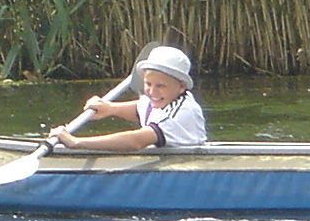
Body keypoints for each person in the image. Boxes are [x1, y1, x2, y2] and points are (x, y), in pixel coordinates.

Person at [49, 45, 208, 152]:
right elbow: (141, 109)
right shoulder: (163, 99)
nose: (152, 91)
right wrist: (110, 108)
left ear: (181, 86)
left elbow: (137, 141)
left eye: (160, 86)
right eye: (148, 84)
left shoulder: (179, 113)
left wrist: (76, 143)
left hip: (185, 168)